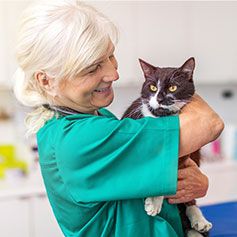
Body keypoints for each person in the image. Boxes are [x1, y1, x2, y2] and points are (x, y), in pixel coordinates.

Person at [13, 1, 224, 237]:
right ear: (46, 81)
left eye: (110, 56)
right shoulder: (82, 138)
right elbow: (209, 123)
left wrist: (192, 186)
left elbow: (142, 180)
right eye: (92, 68)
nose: (113, 73)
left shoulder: (96, 115)